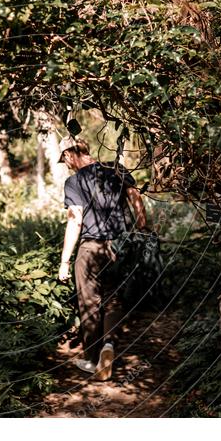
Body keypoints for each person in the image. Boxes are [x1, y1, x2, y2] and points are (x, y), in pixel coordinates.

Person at [57, 136, 148, 381]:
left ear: (69, 154)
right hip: (118, 246)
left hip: (90, 249)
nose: (66, 165)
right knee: (114, 298)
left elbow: (75, 220)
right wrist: (142, 226)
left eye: (64, 160)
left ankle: (91, 358)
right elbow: (134, 196)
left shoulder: (73, 182)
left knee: (89, 302)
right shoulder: (114, 168)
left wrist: (65, 260)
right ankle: (109, 345)